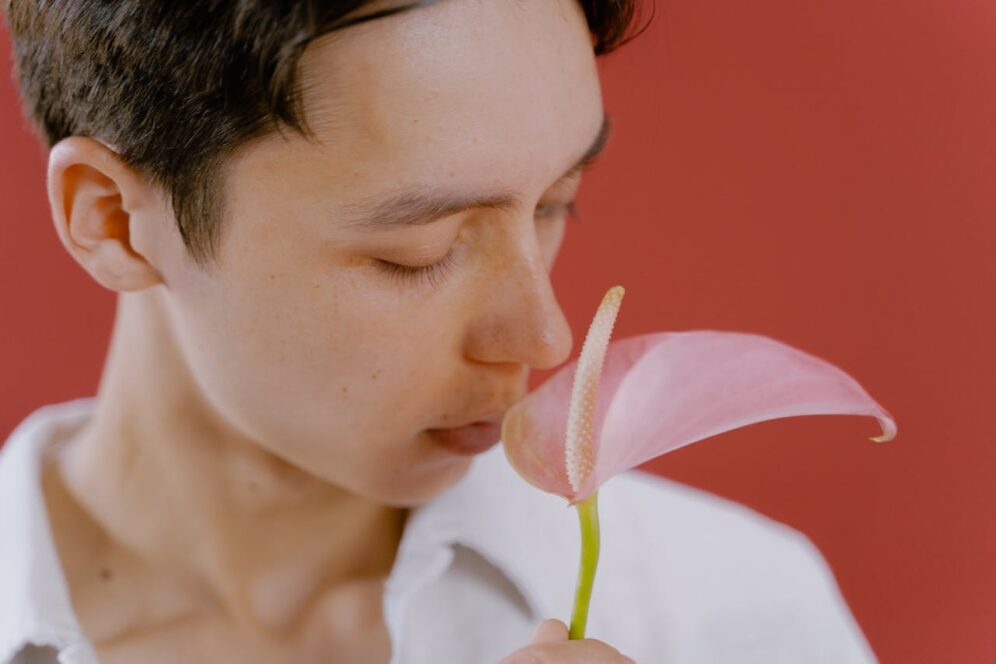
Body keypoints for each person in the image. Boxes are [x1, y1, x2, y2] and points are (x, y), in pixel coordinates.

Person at [0, 1, 878, 662]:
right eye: (417, 251)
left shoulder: (731, 611)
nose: (544, 340)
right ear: (113, 220)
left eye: (555, 205)